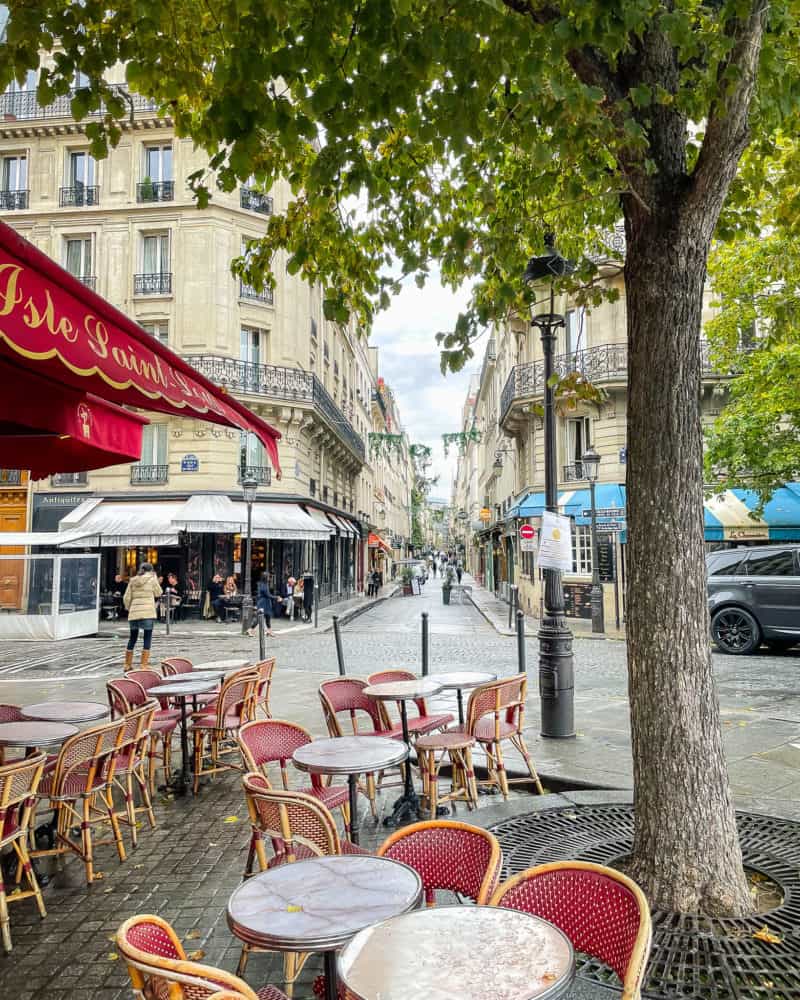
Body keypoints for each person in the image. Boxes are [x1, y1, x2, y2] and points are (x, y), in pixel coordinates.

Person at [123, 562, 162, 671]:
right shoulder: (152, 579)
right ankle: (144, 665)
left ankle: (127, 664)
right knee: (147, 637)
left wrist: (129, 608)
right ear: (151, 570)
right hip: (147, 613)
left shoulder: (132, 580)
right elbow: (158, 593)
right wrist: (156, 578)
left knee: (132, 637)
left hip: (134, 613)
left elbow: (126, 597)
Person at [249, 572, 275, 637]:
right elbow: (268, 595)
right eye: (268, 577)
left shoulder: (264, 584)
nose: (269, 578)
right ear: (266, 578)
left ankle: (269, 631)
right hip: (263, 603)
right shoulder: (263, 585)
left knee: (268, 617)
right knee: (259, 619)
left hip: (266, 603)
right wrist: (276, 597)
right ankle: (250, 630)